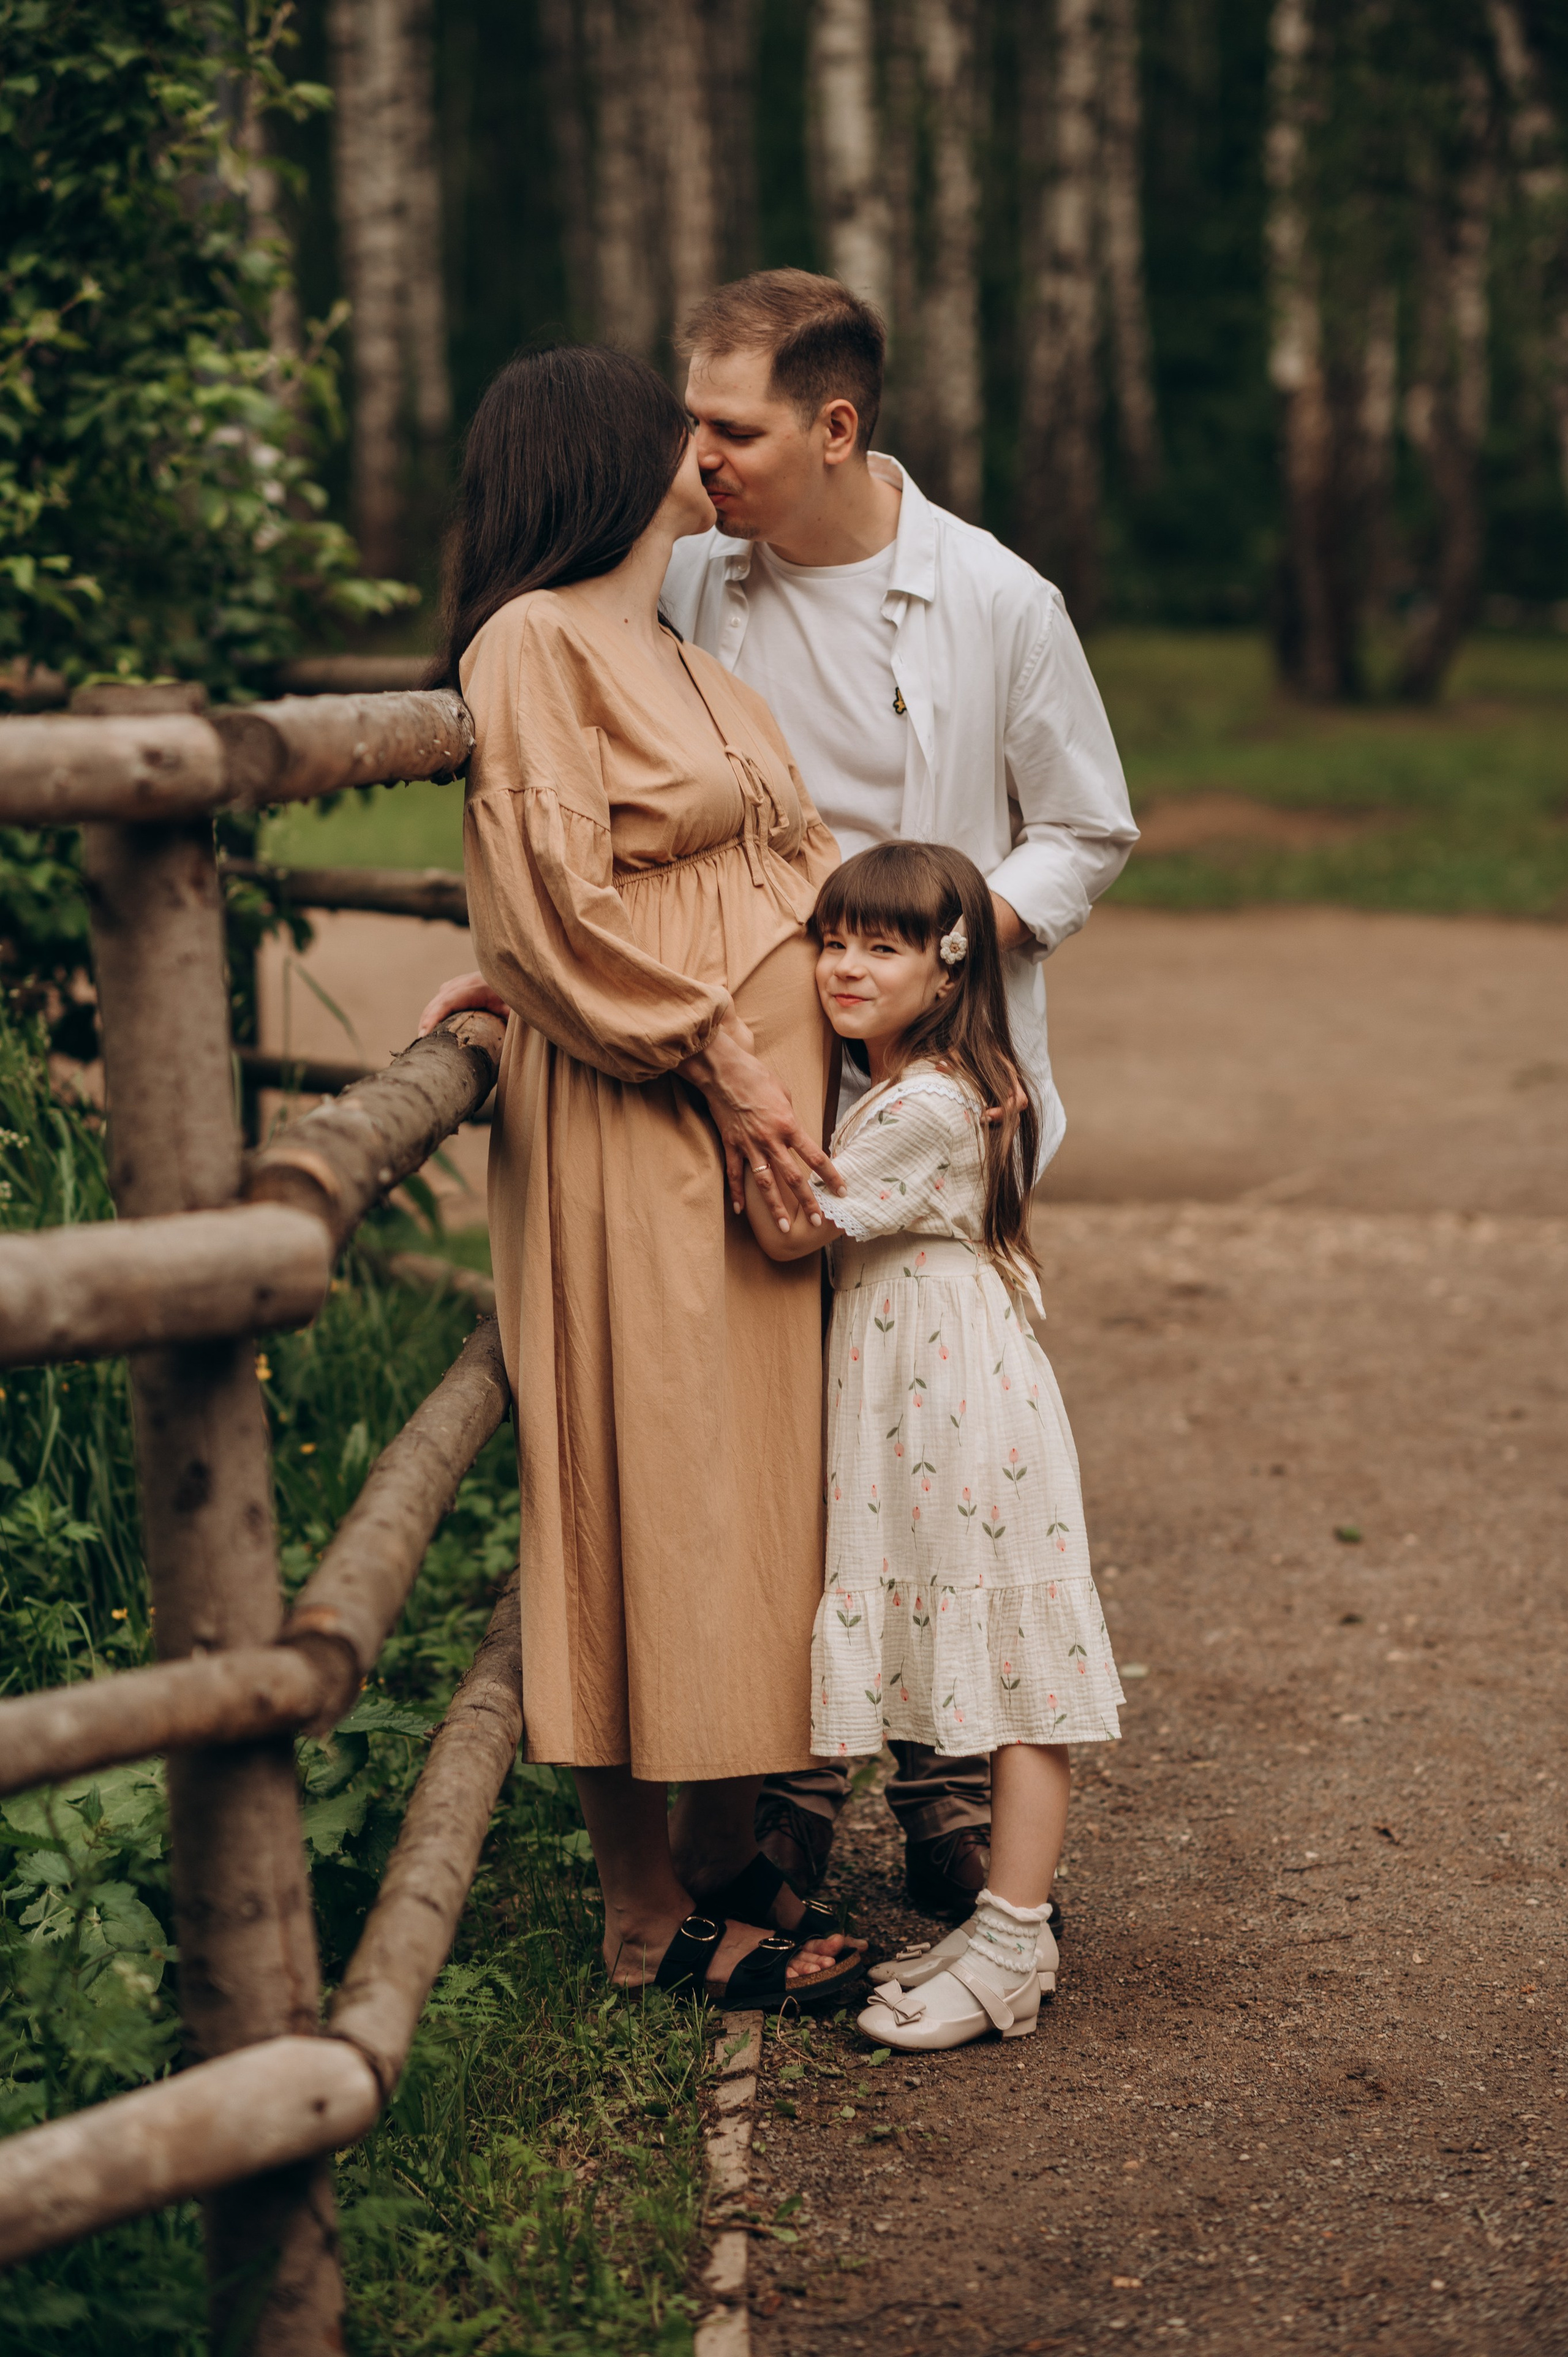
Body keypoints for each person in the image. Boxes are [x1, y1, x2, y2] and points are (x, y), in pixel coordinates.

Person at [419, 269, 1138, 1919]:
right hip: (715, 1093)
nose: (705, 453)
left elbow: (1082, 830)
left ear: (835, 426)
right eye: (685, 423)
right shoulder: (684, 595)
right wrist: (554, 974)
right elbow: (578, 841)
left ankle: (942, 1781)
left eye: (730, 425)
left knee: (923, 1424)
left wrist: (927, 970)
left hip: (909, 1093)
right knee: (764, 1447)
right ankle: (777, 1803)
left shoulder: (996, 600)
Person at [442, 339, 865, 2011]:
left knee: (748, 1484)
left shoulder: (682, 650)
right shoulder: (533, 643)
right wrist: (732, 1063)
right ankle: (644, 1914)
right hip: (655, 1125)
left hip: (758, 1132)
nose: (707, 447)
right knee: (645, 1472)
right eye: (675, 425)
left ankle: (715, 1860)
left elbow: (794, 862)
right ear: (609, 462)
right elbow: (552, 898)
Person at [739, 842, 1124, 2049]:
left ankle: (1013, 1938)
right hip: (926, 1390)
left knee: (1018, 1664)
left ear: (949, 971)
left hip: (959, 1403)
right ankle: (1000, 1923)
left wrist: (713, 1092)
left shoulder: (923, 1103)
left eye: (884, 945)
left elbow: (792, 1228)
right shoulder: (914, 1085)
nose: (844, 966)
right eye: (833, 938)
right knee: (999, 1650)